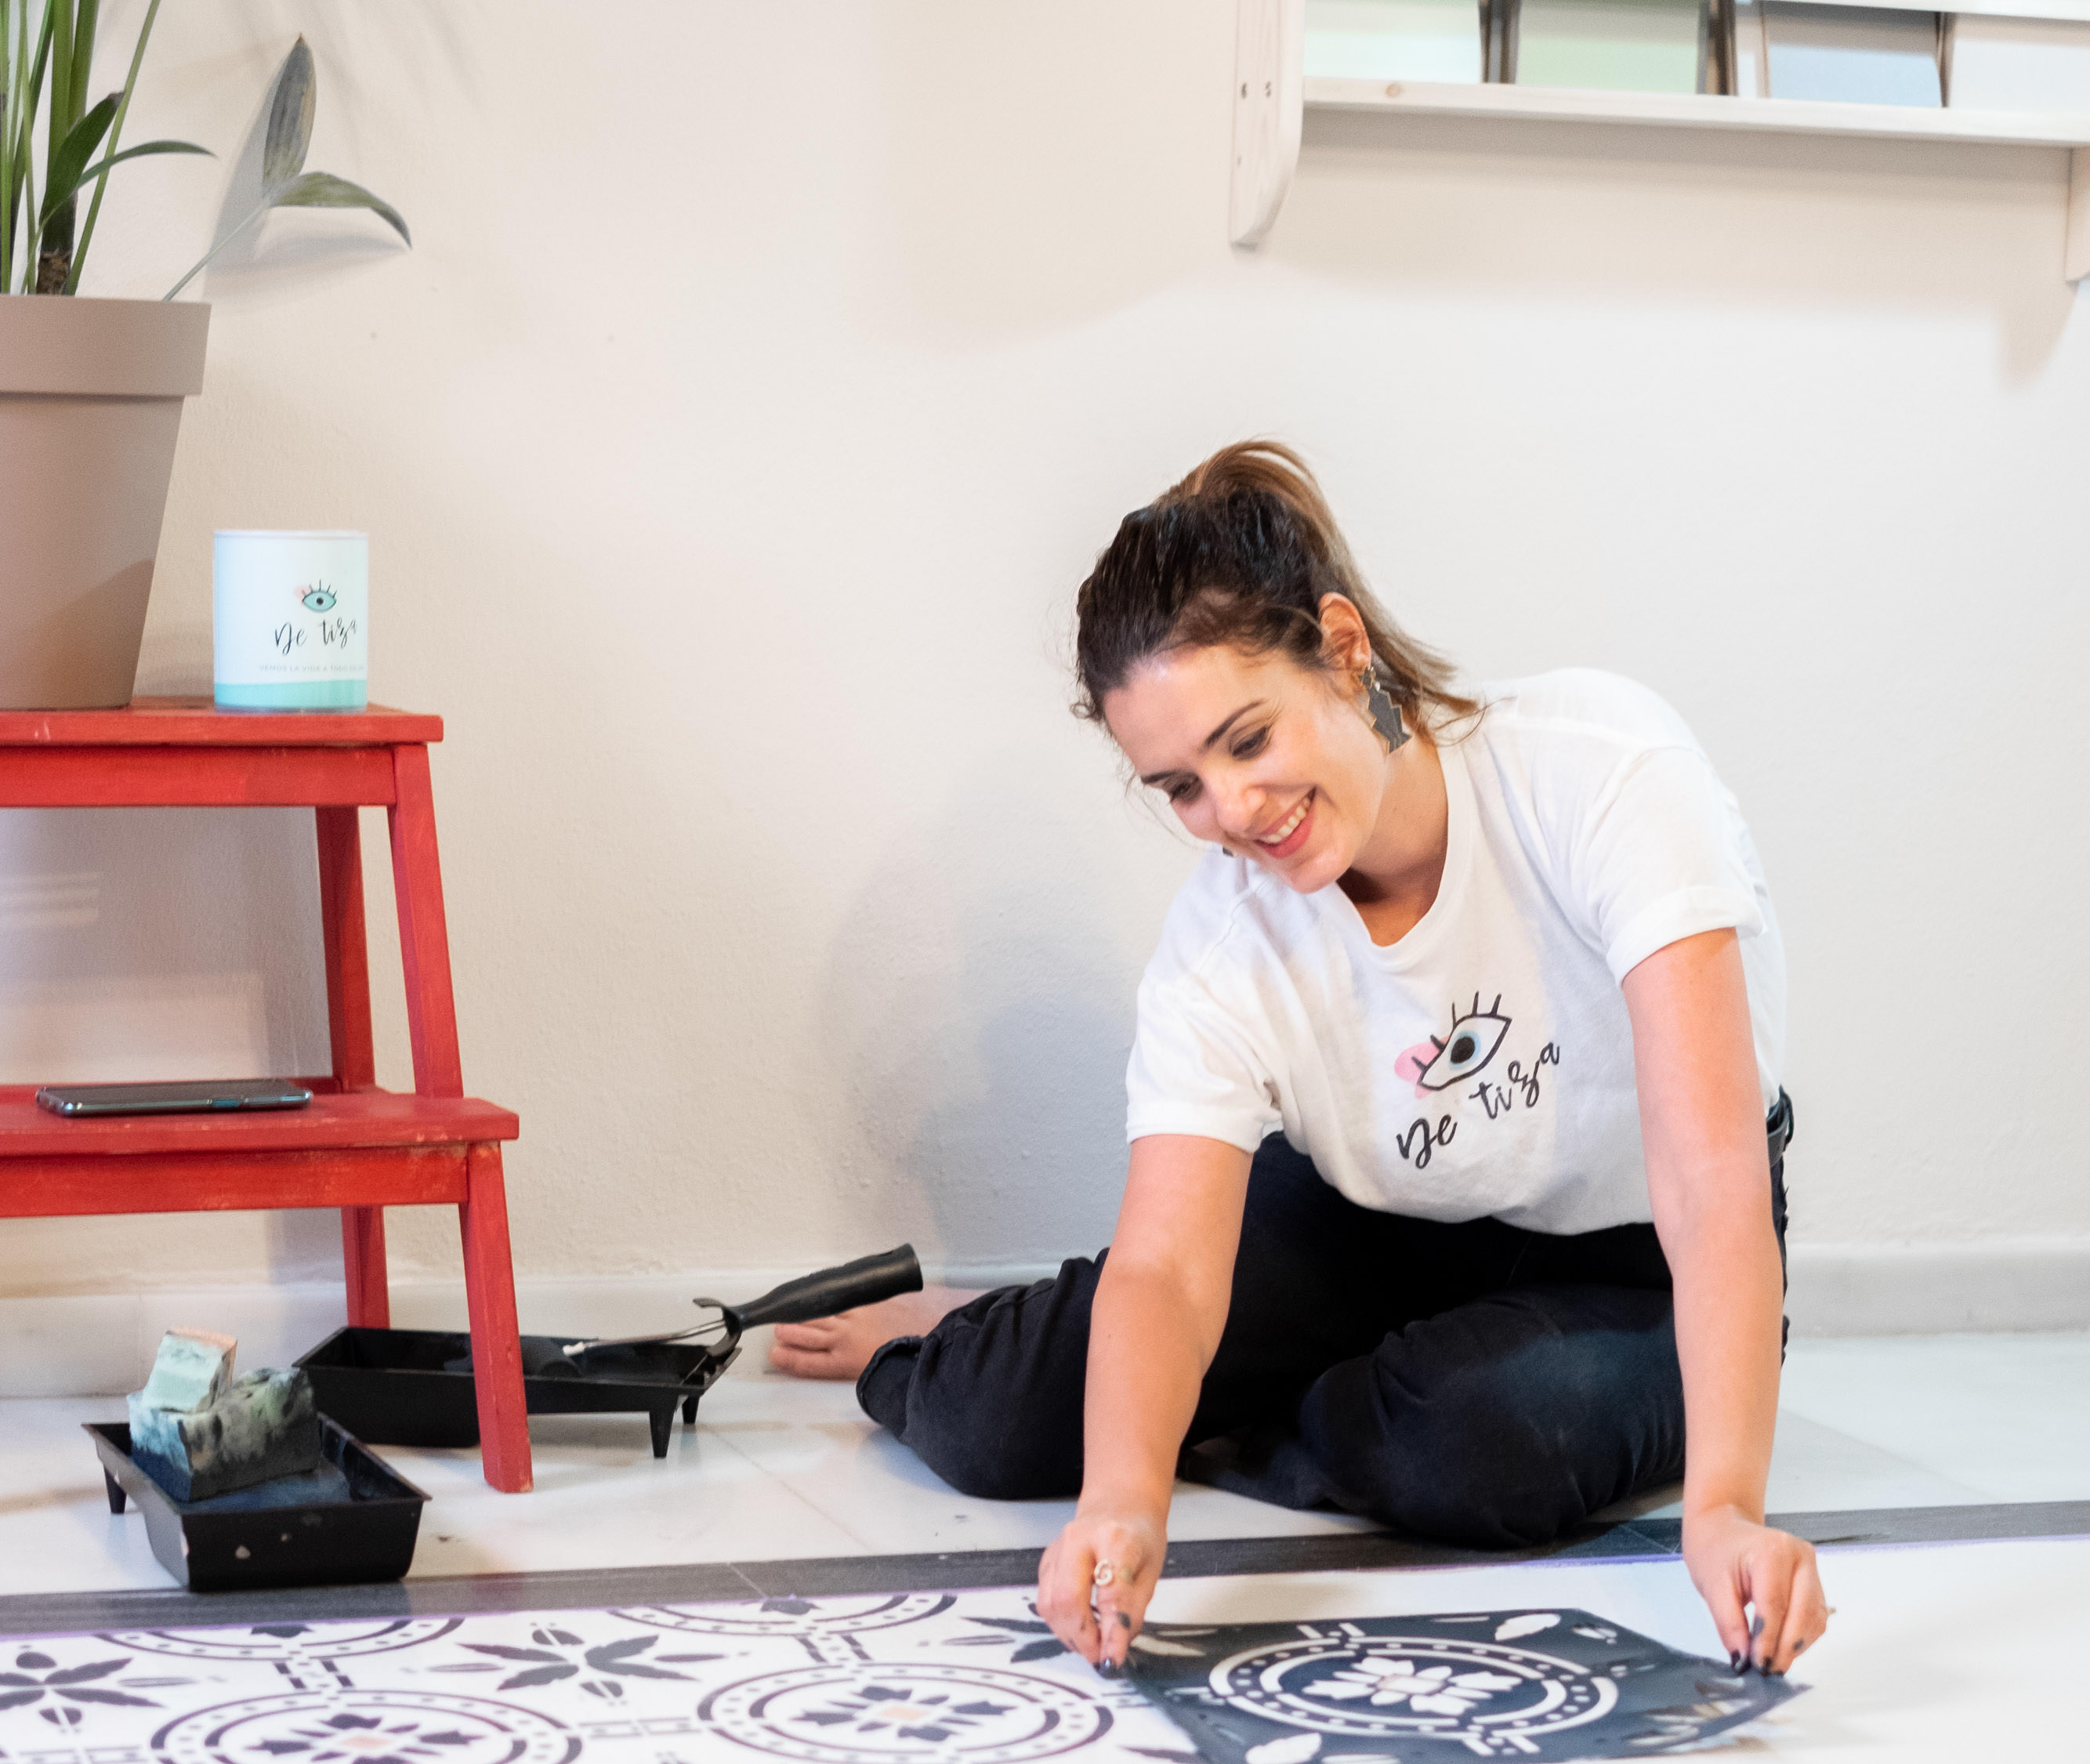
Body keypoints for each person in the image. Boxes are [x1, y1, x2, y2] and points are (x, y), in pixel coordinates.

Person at [772, 442, 1827, 1679]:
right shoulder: (1224, 942)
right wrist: (1122, 1505)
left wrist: (1725, 1510)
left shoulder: (1604, 771)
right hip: (1375, 1230)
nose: (1231, 812)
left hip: (1631, 1259)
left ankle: (1267, 1395)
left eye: (1248, 739)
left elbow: (1708, 1176)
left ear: (1342, 646)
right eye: (1180, 786)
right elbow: (1169, 1269)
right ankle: (1005, 1329)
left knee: (1482, 1445)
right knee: (994, 1421)